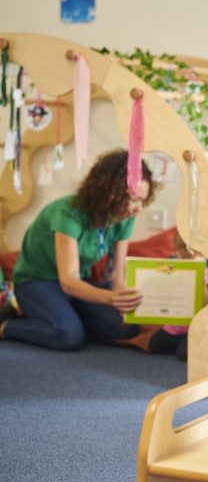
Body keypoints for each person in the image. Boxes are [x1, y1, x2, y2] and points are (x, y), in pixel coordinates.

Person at [0, 148, 157, 351]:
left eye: (143, 199)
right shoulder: (69, 212)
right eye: (133, 198)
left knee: (125, 328)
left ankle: (58, 317)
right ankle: (6, 326)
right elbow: (69, 281)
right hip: (37, 281)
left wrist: (121, 301)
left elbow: (118, 275)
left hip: (77, 284)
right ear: (109, 192)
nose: (138, 208)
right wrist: (110, 298)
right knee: (69, 337)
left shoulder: (126, 218)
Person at [147, 229, 208, 360]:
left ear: (201, 256)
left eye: (185, 256)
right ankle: (180, 342)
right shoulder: (175, 268)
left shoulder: (205, 273)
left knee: (184, 354)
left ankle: (186, 342)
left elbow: (206, 304)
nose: (178, 257)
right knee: (153, 345)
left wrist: (199, 278)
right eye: (177, 253)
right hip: (174, 327)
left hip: (193, 328)